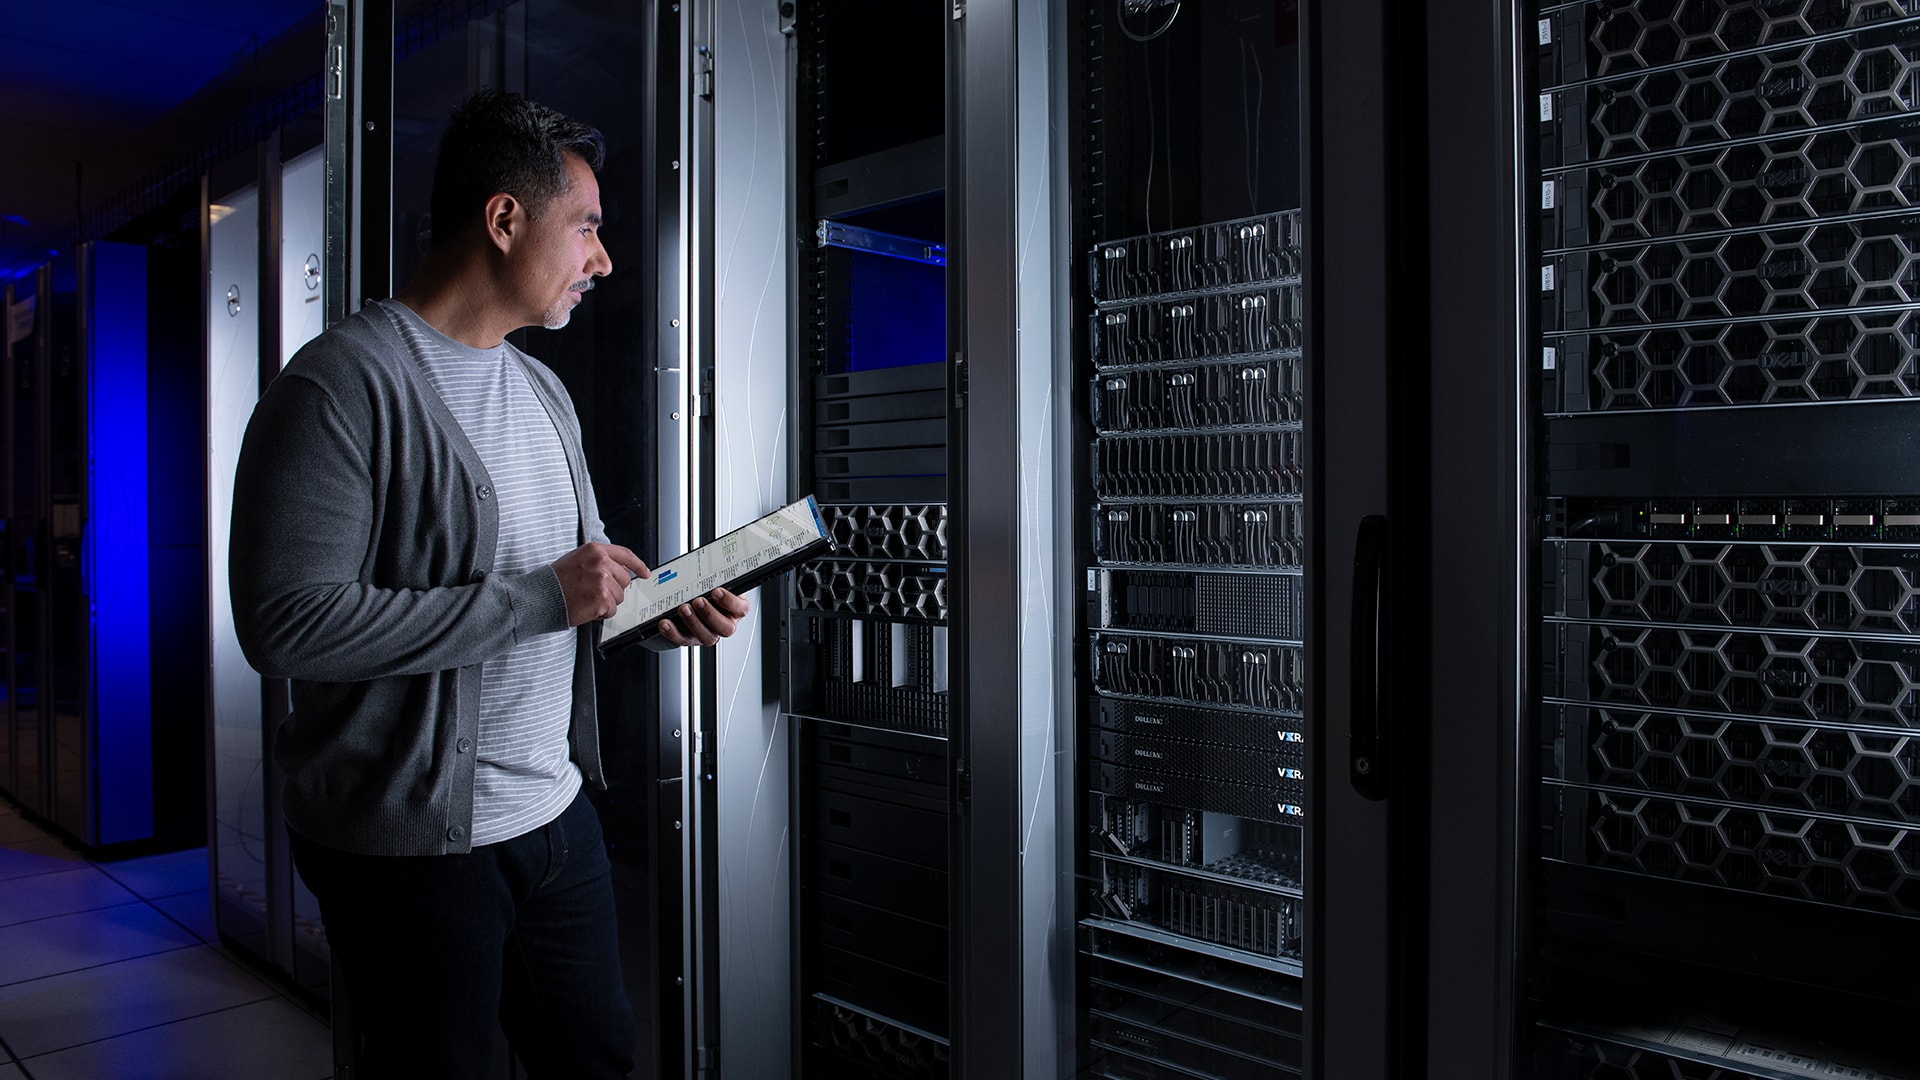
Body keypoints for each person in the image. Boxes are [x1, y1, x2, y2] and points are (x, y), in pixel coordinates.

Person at [229, 89, 747, 1079]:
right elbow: (283, 625)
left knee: (594, 1056)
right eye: (587, 227)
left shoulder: (543, 389)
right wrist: (547, 598)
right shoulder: (339, 386)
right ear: (504, 219)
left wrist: (651, 605)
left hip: (553, 819)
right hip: (410, 850)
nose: (602, 259)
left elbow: (573, 585)